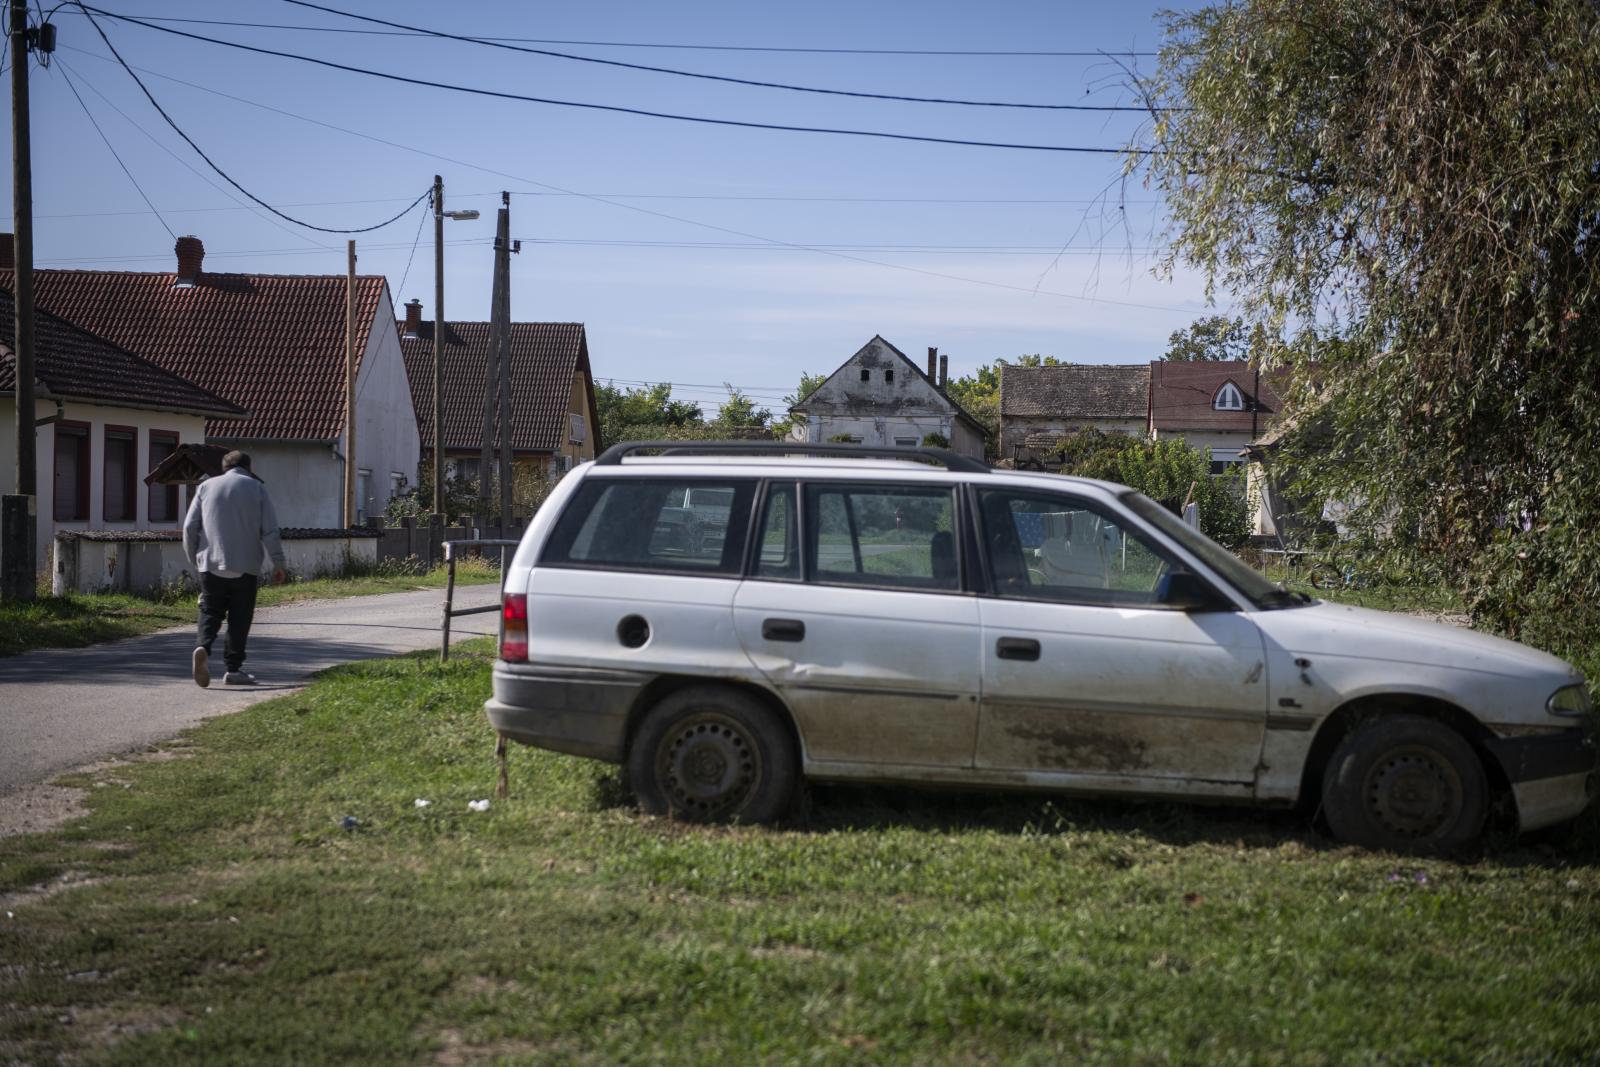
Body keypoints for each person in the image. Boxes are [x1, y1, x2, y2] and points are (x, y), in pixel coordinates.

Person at [183, 450, 287, 687]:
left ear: (224, 468)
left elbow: (190, 527)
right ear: (249, 468)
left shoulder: (206, 487)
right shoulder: (257, 488)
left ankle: (203, 646)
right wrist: (278, 563)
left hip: (209, 563)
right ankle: (233, 669)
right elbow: (270, 531)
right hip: (246, 565)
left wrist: (195, 559)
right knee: (240, 617)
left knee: (210, 610)